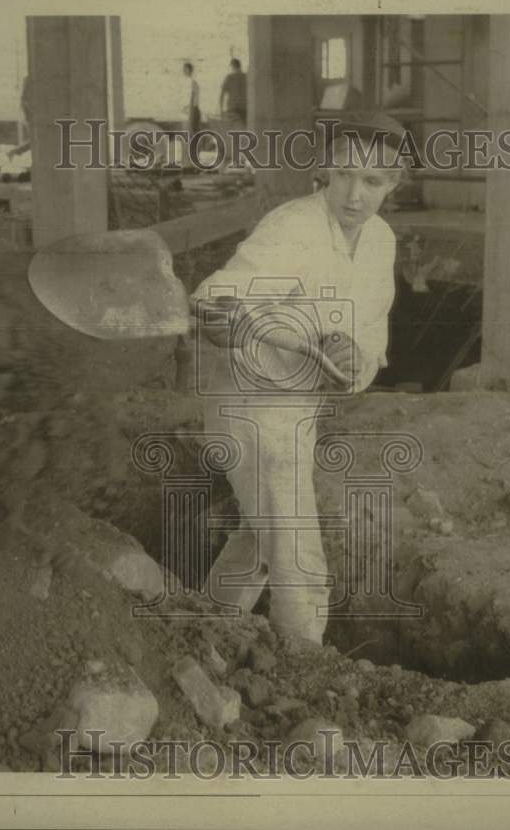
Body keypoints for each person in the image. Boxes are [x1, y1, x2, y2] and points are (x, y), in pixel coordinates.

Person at [191, 113, 407, 645]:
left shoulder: (380, 241)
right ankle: (308, 673)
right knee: (298, 557)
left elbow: (371, 332)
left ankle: (204, 635)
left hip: (298, 406)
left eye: (372, 182)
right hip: (249, 406)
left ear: (394, 185)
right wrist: (224, 320)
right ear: (326, 173)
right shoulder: (293, 227)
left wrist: (356, 356)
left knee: (261, 538)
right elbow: (213, 297)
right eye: (343, 176)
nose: (354, 195)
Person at [219, 58, 247, 124]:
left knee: (232, 129)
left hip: (232, 109)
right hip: (244, 109)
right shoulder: (246, 77)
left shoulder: (229, 78)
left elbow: (222, 95)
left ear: (232, 66)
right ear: (240, 66)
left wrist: (221, 110)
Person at [181, 62, 201, 135]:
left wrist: (189, 110)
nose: (183, 71)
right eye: (183, 69)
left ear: (189, 70)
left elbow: (193, 99)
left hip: (192, 111)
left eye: (185, 69)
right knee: (188, 133)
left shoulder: (192, 83)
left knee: (191, 133)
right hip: (189, 111)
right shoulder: (187, 82)